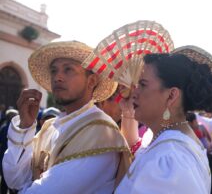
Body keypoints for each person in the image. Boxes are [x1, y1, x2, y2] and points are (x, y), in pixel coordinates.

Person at [2, 41, 130, 194]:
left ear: (91, 81)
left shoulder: (101, 131)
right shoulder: (50, 127)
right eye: (54, 71)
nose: (58, 77)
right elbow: (15, 179)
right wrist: (25, 126)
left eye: (68, 70)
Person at [114, 45, 212, 193]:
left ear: (171, 95)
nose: (134, 92)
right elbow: (135, 148)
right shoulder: (166, 138)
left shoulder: (171, 159)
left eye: (142, 84)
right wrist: (128, 112)